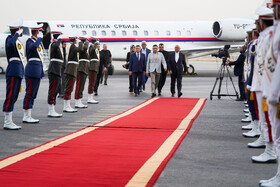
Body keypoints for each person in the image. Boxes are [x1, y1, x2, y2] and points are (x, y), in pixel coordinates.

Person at [249, 12, 276, 164]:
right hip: (263, 84)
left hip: (269, 86)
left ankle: (270, 151)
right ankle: (267, 146)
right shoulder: (266, 37)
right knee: (266, 120)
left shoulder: (270, 37)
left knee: (270, 122)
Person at [260, 1, 280, 185]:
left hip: (276, 92)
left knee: (279, 135)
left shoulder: (275, 34)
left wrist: (273, 93)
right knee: (276, 132)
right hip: (271, 90)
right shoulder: (273, 33)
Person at [2, 19, 25, 130]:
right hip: (13, 70)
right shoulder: (10, 39)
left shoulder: (16, 40)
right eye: (20, 29)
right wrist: (16, 34)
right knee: (10, 96)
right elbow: (11, 43)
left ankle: (9, 120)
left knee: (14, 96)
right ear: (16, 30)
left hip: (18, 70)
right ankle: (7, 121)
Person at [22, 24, 44, 124]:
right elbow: (33, 47)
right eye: (40, 32)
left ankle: (29, 114)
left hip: (37, 70)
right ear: (37, 32)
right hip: (32, 69)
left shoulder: (36, 41)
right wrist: (39, 39)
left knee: (33, 94)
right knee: (30, 93)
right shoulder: (30, 41)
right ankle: (26, 115)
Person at [63, 36, 82, 113]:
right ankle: (66, 106)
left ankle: (67, 105)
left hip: (71, 68)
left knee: (69, 88)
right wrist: (80, 43)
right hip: (71, 69)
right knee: (69, 88)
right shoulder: (73, 46)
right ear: (74, 40)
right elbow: (80, 49)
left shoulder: (70, 46)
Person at [47, 30, 64, 118]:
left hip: (57, 69)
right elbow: (56, 46)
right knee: (53, 90)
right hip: (54, 69)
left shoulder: (56, 44)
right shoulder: (54, 44)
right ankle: (51, 110)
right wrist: (58, 40)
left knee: (56, 89)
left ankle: (52, 109)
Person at [74, 36, 89, 108]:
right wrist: (85, 43)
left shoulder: (82, 47)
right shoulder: (81, 47)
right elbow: (84, 49)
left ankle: (79, 100)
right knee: (79, 85)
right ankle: (77, 101)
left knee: (82, 86)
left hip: (84, 68)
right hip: (81, 68)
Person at [87, 37, 100, 104]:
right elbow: (91, 51)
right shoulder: (91, 47)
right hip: (92, 67)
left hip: (95, 67)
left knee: (93, 82)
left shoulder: (95, 48)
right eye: (97, 43)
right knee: (91, 82)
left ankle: (91, 97)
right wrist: (95, 45)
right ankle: (90, 98)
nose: (98, 44)